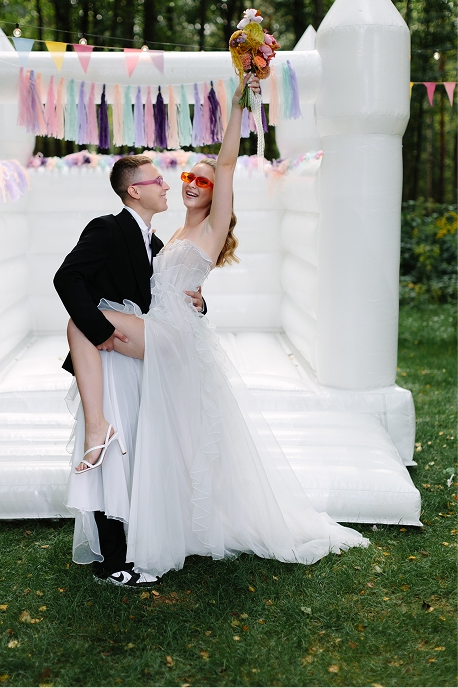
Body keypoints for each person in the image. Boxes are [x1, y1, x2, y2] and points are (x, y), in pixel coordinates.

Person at [65, 75, 369, 580]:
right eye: (186, 176)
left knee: (81, 323)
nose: (189, 183)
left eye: (202, 182)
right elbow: (164, 288)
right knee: (162, 433)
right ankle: (141, 505)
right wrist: (199, 302)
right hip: (163, 327)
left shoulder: (212, 225)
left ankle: (98, 426)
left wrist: (239, 103)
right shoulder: (167, 235)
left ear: (216, 194)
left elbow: (226, 163)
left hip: (172, 337)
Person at [53, 154, 205, 587]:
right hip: (107, 360)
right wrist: (99, 330)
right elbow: (67, 278)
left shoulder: (157, 246)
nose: (167, 185)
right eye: (158, 180)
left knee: (137, 453)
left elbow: (168, 301)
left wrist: (199, 303)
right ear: (134, 190)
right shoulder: (107, 228)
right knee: (110, 456)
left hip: (140, 360)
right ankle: (113, 563)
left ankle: (137, 546)